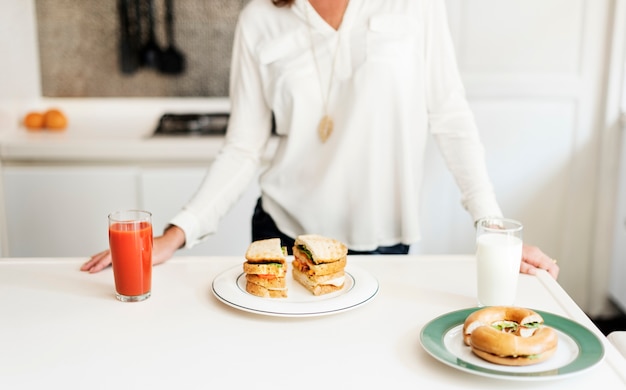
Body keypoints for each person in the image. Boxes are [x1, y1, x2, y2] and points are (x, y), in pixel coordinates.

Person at [82, 0, 560, 279]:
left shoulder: (416, 6)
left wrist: (493, 228)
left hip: (382, 245)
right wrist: (176, 233)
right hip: (283, 238)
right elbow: (243, 148)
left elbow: (451, 118)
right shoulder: (259, 20)